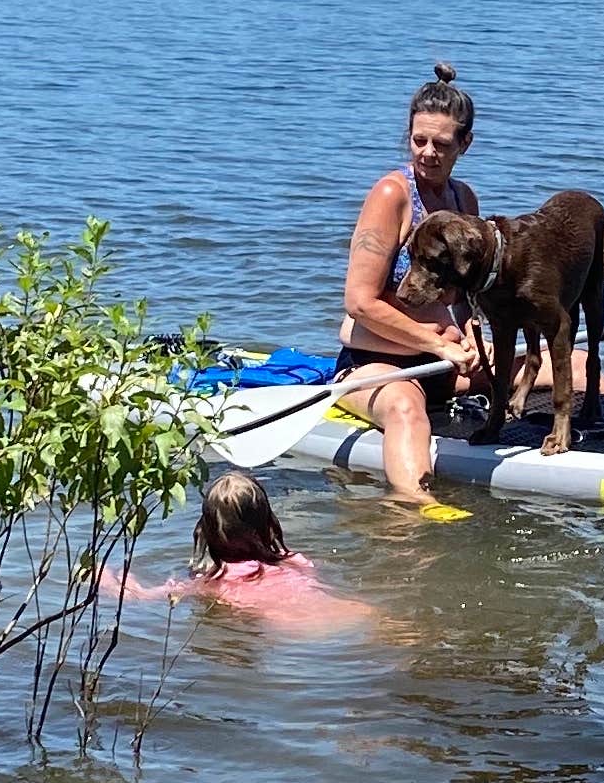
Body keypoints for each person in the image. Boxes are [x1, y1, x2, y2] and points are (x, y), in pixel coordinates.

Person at [331, 61, 490, 502]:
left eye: (441, 144)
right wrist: (435, 342)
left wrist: (475, 338)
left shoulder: (465, 199)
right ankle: (416, 507)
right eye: (419, 141)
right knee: (405, 405)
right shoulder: (391, 195)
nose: (427, 153)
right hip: (375, 364)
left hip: (445, 364)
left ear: (465, 144)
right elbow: (359, 302)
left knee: (568, 365)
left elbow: (468, 296)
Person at [114, 470, 370, 630]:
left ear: (205, 531)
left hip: (294, 629)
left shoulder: (208, 585)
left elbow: (140, 597)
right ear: (269, 522)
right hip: (351, 612)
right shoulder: (295, 560)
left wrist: (102, 577)